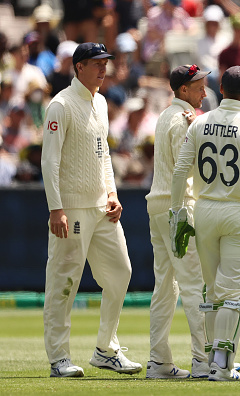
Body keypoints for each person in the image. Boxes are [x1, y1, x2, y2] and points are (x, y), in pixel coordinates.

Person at [40, 42, 142, 377]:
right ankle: (59, 357)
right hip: (72, 210)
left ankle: (106, 350)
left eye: (105, 63)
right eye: (97, 63)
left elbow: (103, 155)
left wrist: (112, 192)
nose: (103, 69)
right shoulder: (61, 105)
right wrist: (57, 209)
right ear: (79, 66)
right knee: (65, 282)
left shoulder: (99, 101)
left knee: (120, 273)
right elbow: (49, 161)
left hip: (102, 208)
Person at [170, 65, 240, 382]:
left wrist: (178, 214)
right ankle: (222, 365)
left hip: (204, 211)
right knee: (233, 293)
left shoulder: (200, 122)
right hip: (239, 211)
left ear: (221, 88)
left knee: (212, 290)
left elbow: (179, 173)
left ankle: (211, 359)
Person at [145, 64, 210, 379]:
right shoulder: (185, 122)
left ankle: (158, 361)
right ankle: (203, 361)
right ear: (184, 90)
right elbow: (191, 169)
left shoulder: (166, 115)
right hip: (178, 206)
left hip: (158, 207)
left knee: (165, 287)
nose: (205, 92)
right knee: (193, 283)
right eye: (200, 87)